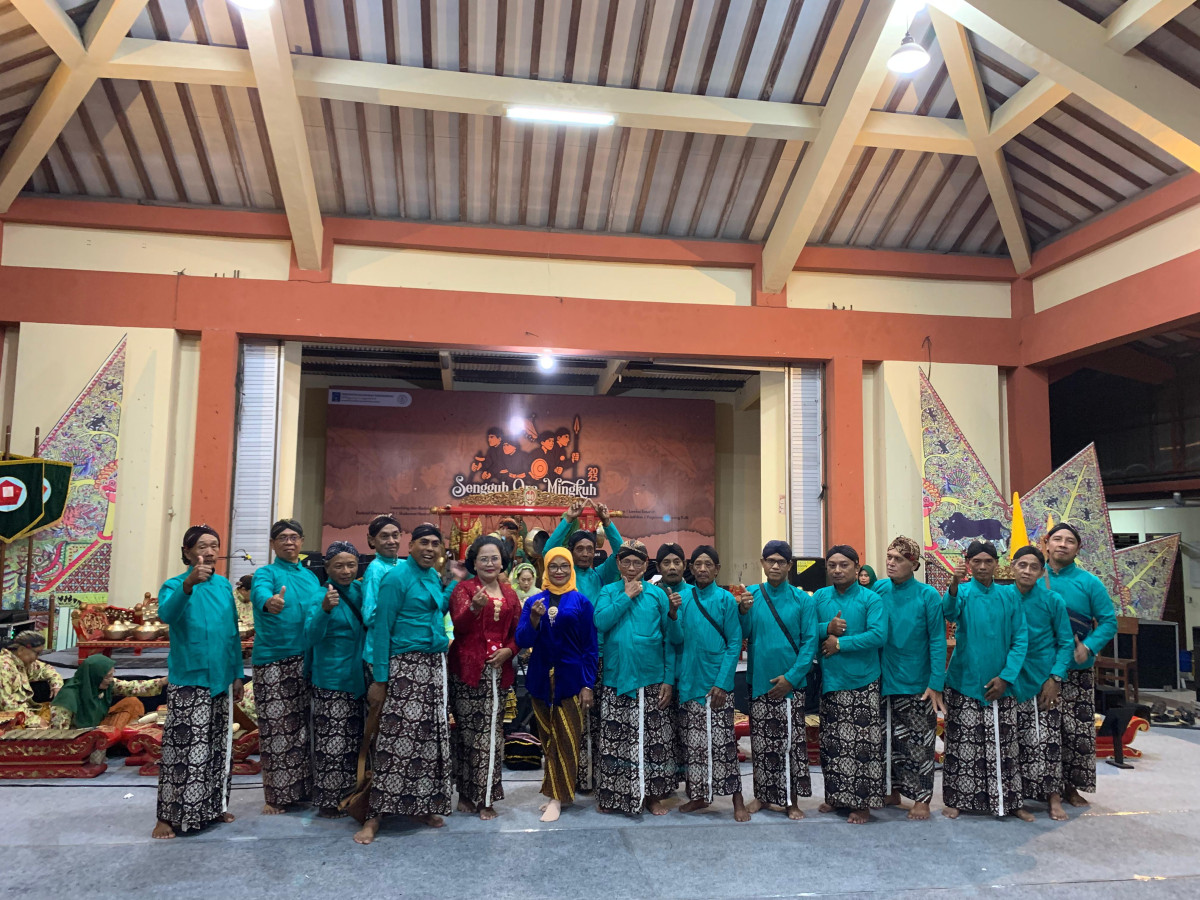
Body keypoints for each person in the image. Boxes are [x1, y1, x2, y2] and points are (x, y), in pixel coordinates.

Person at [356, 524, 455, 844]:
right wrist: (381, 680)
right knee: (395, 740)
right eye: (423, 542)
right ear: (410, 545)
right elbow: (381, 629)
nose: (430, 548)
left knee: (429, 739)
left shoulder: (430, 577)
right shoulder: (395, 578)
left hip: (433, 669)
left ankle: (420, 804)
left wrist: (454, 589)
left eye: (435, 544)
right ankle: (373, 816)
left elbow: (435, 610)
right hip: (404, 668)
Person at [153, 524, 245, 839]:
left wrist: (237, 674)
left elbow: (233, 634)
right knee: (182, 750)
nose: (209, 551)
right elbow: (166, 615)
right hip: (190, 679)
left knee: (218, 747)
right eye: (202, 545)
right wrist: (188, 586)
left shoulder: (222, 587)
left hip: (221, 679)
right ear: (188, 551)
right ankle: (168, 816)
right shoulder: (174, 584)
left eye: (214, 545)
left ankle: (212, 807)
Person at [593, 539, 683, 816]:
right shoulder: (608, 591)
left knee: (652, 742)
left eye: (637, 562)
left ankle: (653, 796)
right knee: (616, 741)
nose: (631, 568)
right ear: (618, 564)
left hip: (651, 680)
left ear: (646, 565)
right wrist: (626, 595)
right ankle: (613, 797)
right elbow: (601, 622)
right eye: (626, 562)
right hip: (617, 679)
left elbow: (674, 640)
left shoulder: (658, 596)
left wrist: (673, 614)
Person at [941, 540, 1029, 820]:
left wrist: (1006, 677)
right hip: (965, 680)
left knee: (1006, 746)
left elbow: (1020, 639)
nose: (981, 566)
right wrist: (954, 585)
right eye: (975, 561)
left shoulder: (1010, 595)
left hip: (1002, 683)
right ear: (968, 563)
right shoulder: (963, 591)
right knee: (962, 745)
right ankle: (957, 800)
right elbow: (949, 612)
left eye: (987, 561)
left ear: (996, 563)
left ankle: (1011, 802)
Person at [545, 497, 623, 792]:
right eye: (580, 549)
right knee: (572, 719)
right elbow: (548, 551)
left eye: (590, 549)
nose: (586, 554)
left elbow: (622, 554)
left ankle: (599, 778)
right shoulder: (564, 576)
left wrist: (607, 522)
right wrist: (568, 518)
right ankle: (573, 778)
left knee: (601, 721)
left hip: (601, 657)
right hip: (569, 659)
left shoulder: (602, 576)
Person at [515, 546, 598, 823]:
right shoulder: (533, 601)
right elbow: (523, 640)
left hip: (571, 681)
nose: (559, 571)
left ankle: (557, 797)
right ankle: (555, 791)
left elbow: (590, 647)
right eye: (554, 566)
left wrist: (588, 684)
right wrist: (535, 619)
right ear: (546, 569)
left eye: (564, 566)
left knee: (567, 738)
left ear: (571, 568)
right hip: (540, 680)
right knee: (549, 738)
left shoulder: (581, 602)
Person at [738, 540, 819, 821]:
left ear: (789, 565)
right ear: (762, 563)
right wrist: (744, 611)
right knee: (761, 744)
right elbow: (744, 635)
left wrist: (793, 678)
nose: (774, 566)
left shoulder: (803, 600)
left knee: (791, 745)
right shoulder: (751, 595)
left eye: (780, 561)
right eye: (769, 561)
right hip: (759, 681)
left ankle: (791, 801)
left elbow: (810, 643)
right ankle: (762, 795)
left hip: (791, 686)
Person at [250, 517, 322, 815]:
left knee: (306, 726)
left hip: (308, 659)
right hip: (275, 660)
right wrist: (269, 603)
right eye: (283, 538)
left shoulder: (310, 577)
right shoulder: (265, 574)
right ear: (273, 543)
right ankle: (277, 795)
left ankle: (303, 789)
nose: (290, 542)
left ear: (302, 542)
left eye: (294, 537)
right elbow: (260, 593)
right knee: (278, 728)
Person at [1044, 521, 1118, 808]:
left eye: (1069, 541)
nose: (1062, 544)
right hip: (1040, 669)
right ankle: (1043, 787)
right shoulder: (1034, 579)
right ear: (1047, 544)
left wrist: (1088, 646)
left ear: (1078, 548)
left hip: (1078, 669)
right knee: (1043, 729)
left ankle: (1072, 787)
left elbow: (1109, 622)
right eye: (1057, 539)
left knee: (1076, 732)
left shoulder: (1089, 583)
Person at [448, 536, 521, 820]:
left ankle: (486, 797)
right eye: (483, 559)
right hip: (467, 672)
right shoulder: (463, 589)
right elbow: (459, 626)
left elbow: (518, 634)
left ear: (502, 562)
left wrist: (509, 651)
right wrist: (475, 607)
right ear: (474, 563)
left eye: (494, 558)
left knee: (492, 737)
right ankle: (466, 793)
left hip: (498, 674)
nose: (490, 563)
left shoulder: (511, 594)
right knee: (467, 735)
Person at [813, 545, 887, 825]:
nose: (837, 570)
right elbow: (808, 629)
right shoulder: (819, 597)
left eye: (844, 565)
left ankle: (863, 803)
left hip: (862, 681)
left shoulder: (871, 599)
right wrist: (826, 629)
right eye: (832, 565)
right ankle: (836, 797)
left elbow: (878, 635)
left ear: (857, 567)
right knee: (833, 744)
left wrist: (841, 643)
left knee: (862, 747)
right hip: (831, 681)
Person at [875, 536, 946, 820]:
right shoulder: (879, 589)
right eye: (889, 557)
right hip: (883, 678)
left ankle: (922, 799)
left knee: (920, 744)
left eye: (898, 559)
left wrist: (935, 683)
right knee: (887, 741)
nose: (891, 563)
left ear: (913, 564)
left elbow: (938, 640)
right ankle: (892, 791)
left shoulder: (928, 595)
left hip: (917, 682)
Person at [676, 546, 743, 819]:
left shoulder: (726, 600)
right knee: (694, 746)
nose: (702, 569)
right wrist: (671, 615)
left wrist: (723, 683)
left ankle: (737, 800)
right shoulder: (681, 599)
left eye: (708, 564)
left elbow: (734, 642)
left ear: (717, 569)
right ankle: (699, 796)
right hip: (689, 682)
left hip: (717, 684)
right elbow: (675, 639)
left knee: (724, 743)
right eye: (698, 564)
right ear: (691, 569)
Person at [1010, 545, 1073, 822]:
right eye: (1022, 565)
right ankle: (1017, 799)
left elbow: (1066, 642)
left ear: (1041, 571)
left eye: (1033, 567)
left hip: (1044, 679)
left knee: (1047, 741)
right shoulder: (1002, 597)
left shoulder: (1052, 600)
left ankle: (1053, 797)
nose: (1027, 571)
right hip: (1011, 679)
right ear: (1012, 567)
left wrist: (1054, 679)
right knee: (1014, 742)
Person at [304, 541, 367, 818]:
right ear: (327, 567)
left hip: (358, 679)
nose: (345, 571)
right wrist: (324, 610)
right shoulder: (319, 594)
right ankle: (328, 801)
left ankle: (351, 795)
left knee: (353, 742)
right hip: (330, 679)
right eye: (338, 566)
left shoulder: (361, 592)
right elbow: (310, 637)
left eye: (351, 565)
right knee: (332, 744)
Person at [655, 542, 693, 789]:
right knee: (665, 735)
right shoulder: (652, 593)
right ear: (658, 566)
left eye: (676, 562)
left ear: (684, 565)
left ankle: (695, 785)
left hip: (691, 676)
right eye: (666, 562)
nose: (671, 567)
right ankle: (666, 785)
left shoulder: (694, 593)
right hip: (663, 675)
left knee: (690, 735)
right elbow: (665, 640)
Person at [49, 654, 165, 730]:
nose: (110, 680)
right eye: (107, 677)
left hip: (99, 726)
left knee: (132, 702)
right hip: (79, 736)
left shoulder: (103, 684)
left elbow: (131, 687)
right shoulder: (67, 698)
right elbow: (58, 734)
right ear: (94, 677)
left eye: (112, 675)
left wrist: (162, 681)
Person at [361, 515, 404, 678]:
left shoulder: (404, 565)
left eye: (395, 535)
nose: (391, 541)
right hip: (379, 652)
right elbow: (369, 616)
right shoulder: (375, 570)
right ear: (372, 541)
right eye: (384, 536)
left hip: (400, 648)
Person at [0, 631, 63, 726]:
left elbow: (45, 669)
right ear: (21, 650)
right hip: (10, 718)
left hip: (25, 711)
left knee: (61, 710)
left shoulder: (21, 662)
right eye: (37, 653)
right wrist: (34, 720)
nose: (37, 658)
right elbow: (7, 705)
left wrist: (56, 685)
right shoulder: (4, 667)